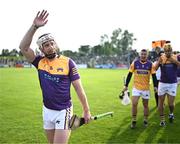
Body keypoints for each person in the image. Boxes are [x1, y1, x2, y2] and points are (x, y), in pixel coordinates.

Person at [19, 10, 91, 144]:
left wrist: (86, 110)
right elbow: (23, 47)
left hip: (63, 111)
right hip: (47, 110)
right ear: (41, 49)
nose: (51, 47)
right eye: (46, 45)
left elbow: (79, 89)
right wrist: (34, 26)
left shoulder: (68, 62)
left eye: (52, 43)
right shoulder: (39, 62)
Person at [123, 49, 158, 128]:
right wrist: (126, 85)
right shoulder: (135, 63)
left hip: (145, 88)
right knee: (134, 103)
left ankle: (145, 120)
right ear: (140, 54)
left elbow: (154, 76)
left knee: (145, 105)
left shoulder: (150, 64)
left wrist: (155, 86)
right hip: (136, 87)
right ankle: (134, 120)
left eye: (145, 54)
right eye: (142, 54)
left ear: (147, 55)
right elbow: (129, 74)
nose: (143, 55)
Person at [155, 44, 180, 126]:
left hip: (172, 83)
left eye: (169, 51)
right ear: (164, 51)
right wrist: (159, 61)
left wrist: (173, 60)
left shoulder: (176, 57)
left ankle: (171, 113)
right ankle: (162, 120)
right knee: (161, 103)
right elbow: (155, 68)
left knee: (170, 104)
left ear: (171, 51)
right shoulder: (162, 57)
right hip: (162, 83)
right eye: (166, 51)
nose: (167, 53)